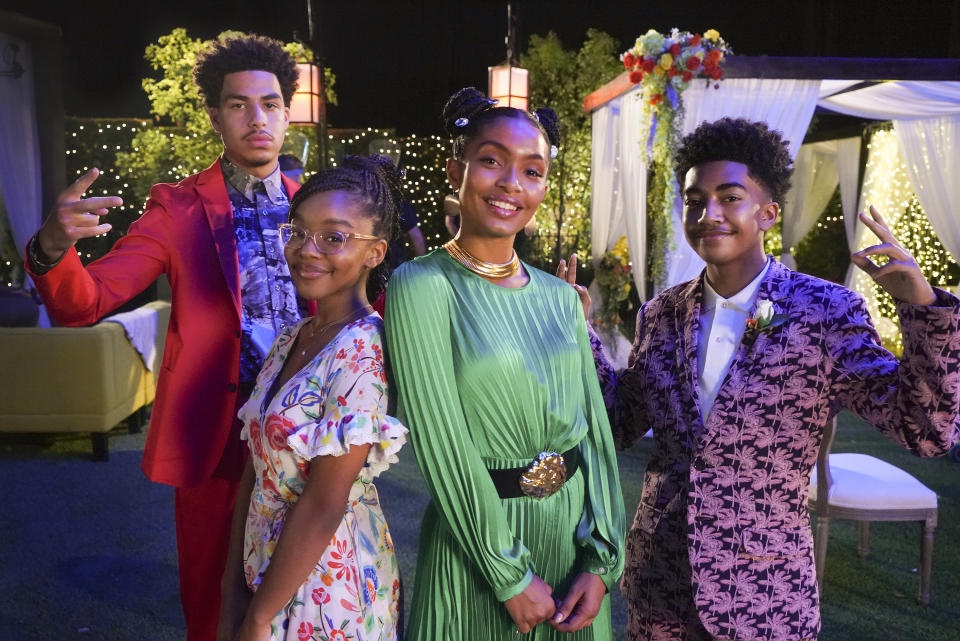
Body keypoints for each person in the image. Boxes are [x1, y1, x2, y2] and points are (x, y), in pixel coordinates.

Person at [564, 117, 960, 641]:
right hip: (660, 586)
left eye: (730, 197)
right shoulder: (660, 315)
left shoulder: (825, 311)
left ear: (768, 212)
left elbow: (927, 432)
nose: (709, 215)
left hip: (764, 596)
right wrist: (581, 333)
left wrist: (923, 308)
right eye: (695, 199)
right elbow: (617, 424)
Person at [24, 34, 306, 641]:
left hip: (308, 435)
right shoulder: (178, 209)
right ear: (215, 116)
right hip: (220, 434)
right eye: (239, 104)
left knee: (302, 593)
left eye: (271, 103)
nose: (257, 118)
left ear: (287, 111)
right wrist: (52, 247)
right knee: (213, 600)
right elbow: (85, 304)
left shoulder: (314, 205)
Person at [385, 87, 626, 640]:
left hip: (570, 548)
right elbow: (441, 441)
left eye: (533, 170)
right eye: (492, 160)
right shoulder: (420, 285)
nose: (512, 183)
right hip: (478, 550)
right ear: (456, 170)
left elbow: (592, 435)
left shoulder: (561, 296)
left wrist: (600, 560)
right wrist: (509, 576)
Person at [219, 155, 407, 641]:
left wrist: (258, 617)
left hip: (328, 586)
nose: (307, 249)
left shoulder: (364, 351)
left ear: (375, 252)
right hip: (267, 571)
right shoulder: (293, 337)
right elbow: (255, 467)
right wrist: (233, 590)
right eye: (298, 232)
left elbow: (325, 501)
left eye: (334, 237)